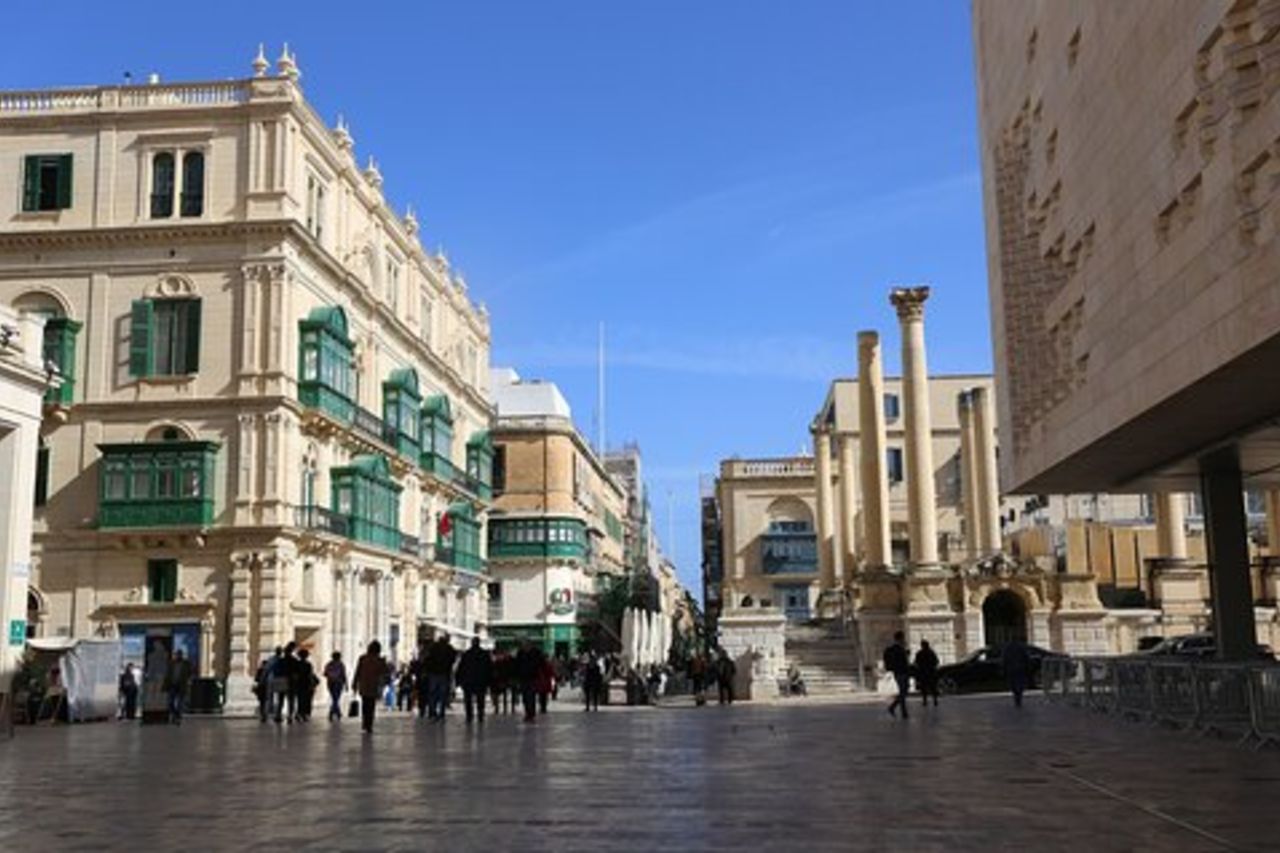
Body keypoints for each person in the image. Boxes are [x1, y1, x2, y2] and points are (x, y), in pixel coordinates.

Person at [352, 640, 390, 734]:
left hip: (364, 685)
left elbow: (358, 672)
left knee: (365, 705)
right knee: (371, 706)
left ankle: (365, 724)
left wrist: (354, 683)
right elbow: (385, 672)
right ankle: (369, 725)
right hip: (374, 686)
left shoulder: (362, 658)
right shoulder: (379, 660)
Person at [456, 638, 493, 724]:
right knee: (480, 699)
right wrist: (488, 681)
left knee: (468, 700)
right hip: (481, 681)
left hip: (468, 681)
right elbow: (489, 668)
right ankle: (480, 715)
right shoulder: (484, 654)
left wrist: (459, 680)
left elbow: (461, 668)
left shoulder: (467, 654)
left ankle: (469, 716)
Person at [424, 635, 458, 721]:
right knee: (443, 695)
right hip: (444, 674)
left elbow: (427, 659)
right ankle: (441, 713)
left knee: (432, 694)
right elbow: (453, 659)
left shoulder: (433, 648)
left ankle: (432, 711)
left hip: (433, 674)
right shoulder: (449, 648)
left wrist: (427, 671)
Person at [514, 639, 544, 722]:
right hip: (523, 678)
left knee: (531, 696)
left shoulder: (536, 652)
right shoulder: (520, 653)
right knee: (525, 697)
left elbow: (541, 663)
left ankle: (531, 714)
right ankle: (528, 712)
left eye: (526, 645)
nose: (524, 646)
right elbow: (516, 665)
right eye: (523, 645)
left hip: (533, 677)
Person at [884, 631, 911, 719]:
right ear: (900, 638)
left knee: (903, 691)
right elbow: (903, 662)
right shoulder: (898, 648)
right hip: (902, 672)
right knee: (903, 691)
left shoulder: (894, 648)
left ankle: (897, 709)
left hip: (898, 672)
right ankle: (898, 710)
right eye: (903, 638)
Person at [163, 649, 193, 725]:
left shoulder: (186, 663)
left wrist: (188, 680)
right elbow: (167, 674)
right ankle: (175, 714)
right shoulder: (171, 663)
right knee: (170, 702)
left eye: (179, 654)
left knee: (180, 703)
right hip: (172, 685)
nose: (177, 656)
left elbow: (190, 673)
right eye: (176, 654)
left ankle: (177, 717)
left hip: (181, 685)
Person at [1003, 638, 1032, 708]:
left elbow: (1004, 659)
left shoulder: (1007, 648)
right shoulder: (1021, 647)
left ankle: (1016, 697)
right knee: (1020, 683)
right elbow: (1026, 658)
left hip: (1011, 669)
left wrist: (1004, 668)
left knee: (1013, 684)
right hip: (1020, 668)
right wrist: (1027, 668)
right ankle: (1019, 697)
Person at [322, 651, 347, 722]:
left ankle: (334, 712)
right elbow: (343, 675)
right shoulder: (341, 665)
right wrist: (346, 684)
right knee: (336, 698)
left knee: (334, 698)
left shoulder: (329, 664)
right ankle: (335, 712)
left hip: (331, 683)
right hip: (338, 683)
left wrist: (331, 676)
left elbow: (325, 674)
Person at [914, 640, 940, 707]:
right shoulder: (931, 653)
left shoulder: (919, 653)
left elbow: (916, 663)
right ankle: (935, 700)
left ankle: (925, 701)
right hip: (931, 672)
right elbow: (936, 661)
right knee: (933, 687)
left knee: (924, 688)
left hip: (923, 673)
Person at [295, 649, 317, 721]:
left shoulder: (297, 664)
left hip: (299, 684)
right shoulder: (308, 664)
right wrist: (312, 684)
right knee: (307, 700)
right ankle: (304, 714)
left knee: (300, 699)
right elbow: (310, 675)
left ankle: (299, 713)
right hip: (306, 684)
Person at [490, 650, 511, 714]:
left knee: (502, 694)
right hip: (497, 681)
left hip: (501, 680)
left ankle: (502, 708)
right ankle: (499, 708)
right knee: (498, 695)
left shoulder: (502, 663)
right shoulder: (496, 663)